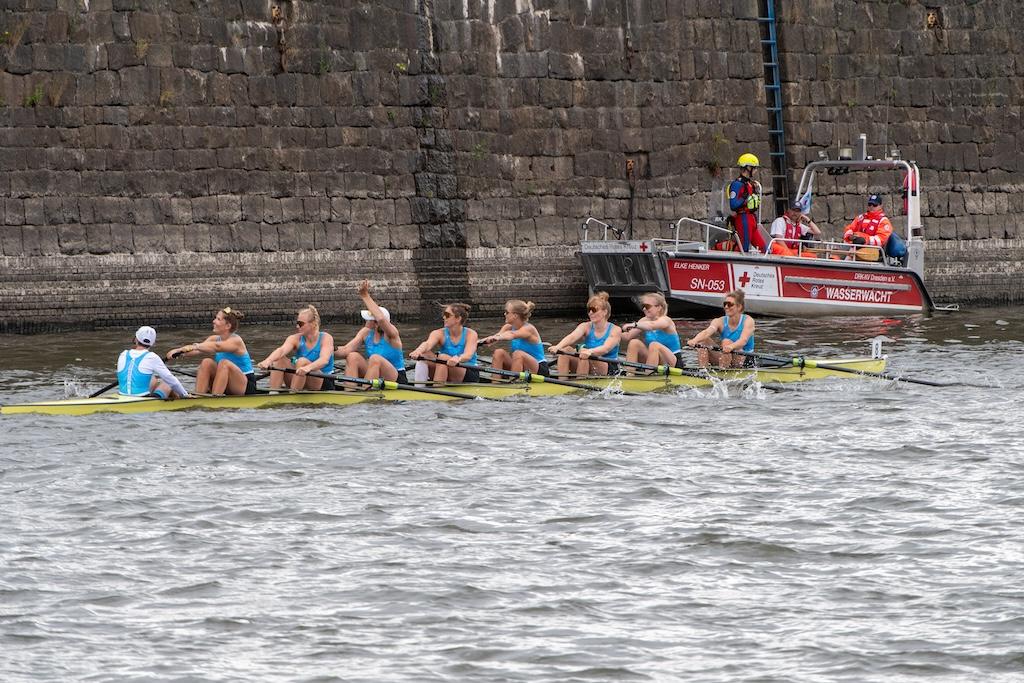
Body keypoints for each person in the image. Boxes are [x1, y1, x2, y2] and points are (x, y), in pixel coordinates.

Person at [166, 307, 258, 395]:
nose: (214, 321)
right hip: (227, 382)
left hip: (245, 385)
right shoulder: (213, 339)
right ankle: (199, 396)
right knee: (206, 362)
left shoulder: (236, 341)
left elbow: (217, 347)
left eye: (218, 319)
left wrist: (196, 346)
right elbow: (196, 351)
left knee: (224, 363)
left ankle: (215, 397)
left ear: (228, 326)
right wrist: (178, 352)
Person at [335, 280, 407, 383]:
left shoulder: (391, 334)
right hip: (375, 375)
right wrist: (328, 349)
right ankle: (350, 390)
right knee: (352, 356)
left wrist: (365, 295)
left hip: (396, 377)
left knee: (375, 358)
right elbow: (346, 350)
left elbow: (381, 319)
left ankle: (366, 391)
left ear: (376, 323)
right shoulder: (365, 333)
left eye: (369, 319)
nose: (366, 321)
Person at [256, 305, 336, 391]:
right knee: (279, 359)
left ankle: (293, 395)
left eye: (301, 324)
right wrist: (268, 361)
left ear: (313, 324)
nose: (297, 326)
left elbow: (324, 360)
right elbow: (281, 350)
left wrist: (308, 368)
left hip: (323, 381)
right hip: (301, 376)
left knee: (302, 361)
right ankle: (273, 393)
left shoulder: (326, 338)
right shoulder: (295, 338)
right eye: (297, 323)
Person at [547, 291, 622, 377]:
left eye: (594, 310)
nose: (590, 313)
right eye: (589, 310)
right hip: (586, 359)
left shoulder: (615, 330)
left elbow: (605, 349)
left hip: (608, 366)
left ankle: (580, 382)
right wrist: (558, 347)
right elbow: (572, 337)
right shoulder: (585, 326)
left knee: (584, 355)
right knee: (565, 350)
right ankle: (562, 381)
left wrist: (590, 351)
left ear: (604, 312)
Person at [410, 303, 481, 384]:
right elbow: (427, 344)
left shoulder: (471, 334)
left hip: (467, 370)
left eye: (447, 315)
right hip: (445, 365)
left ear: (458, 319)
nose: (444, 317)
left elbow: (468, 355)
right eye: (444, 314)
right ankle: (419, 387)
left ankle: (437, 388)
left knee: (442, 357)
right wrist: (418, 351)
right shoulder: (438, 333)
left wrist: (458, 359)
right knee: (424, 354)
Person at [686, 290, 756, 368]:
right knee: (703, 340)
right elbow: (706, 332)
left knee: (726, 342)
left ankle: (723, 371)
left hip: (745, 359)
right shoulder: (719, 321)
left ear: (739, 307)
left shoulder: (748, 321)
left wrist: (731, 346)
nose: (726, 307)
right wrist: (695, 340)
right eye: (725, 304)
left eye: (730, 304)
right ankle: (703, 371)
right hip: (727, 354)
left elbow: (743, 341)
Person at [117, 325, 189, 400]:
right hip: (142, 398)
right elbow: (171, 379)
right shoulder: (152, 356)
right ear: (153, 343)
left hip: (122, 395)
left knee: (153, 378)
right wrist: (185, 395)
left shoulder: (123, 354)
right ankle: (178, 399)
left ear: (136, 339)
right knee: (167, 383)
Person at [481, 299, 548, 375]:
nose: (504, 314)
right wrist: (478, 342)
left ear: (515, 315)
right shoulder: (508, 327)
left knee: (518, 354)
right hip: (520, 366)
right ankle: (495, 381)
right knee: (498, 352)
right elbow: (494, 337)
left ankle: (514, 381)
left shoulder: (529, 329)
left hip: (538, 368)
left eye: (507, 312)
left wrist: (498, 337)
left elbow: (512, 334)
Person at [621, 292, 683, 372]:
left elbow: (652, 326)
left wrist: (634, 324)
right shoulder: (644, 320)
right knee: (634, 343)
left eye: (647, 306)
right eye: (643, 306)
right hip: (655, 361)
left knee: (654, 345)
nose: (644, 309)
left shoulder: (666, 320)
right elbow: (627, 336)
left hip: (673, 362)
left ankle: (648, 374)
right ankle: (630, 374)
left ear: (659, 307)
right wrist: (613, 332)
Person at [728, 153, 767, 253]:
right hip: (743, 219)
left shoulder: (749, 184)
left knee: (765, 249)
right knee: (744, 248)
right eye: (754, 168)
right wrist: (744, 198)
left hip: (751, 219)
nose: (756, 170)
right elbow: (733, 205)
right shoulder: (737, 184)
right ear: (748, 168)